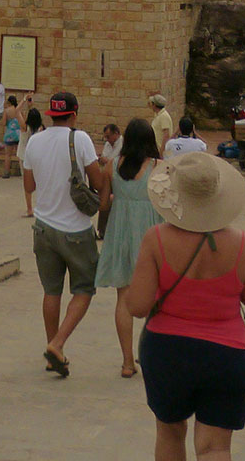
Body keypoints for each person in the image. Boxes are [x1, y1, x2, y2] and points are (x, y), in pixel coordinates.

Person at [126, 151, 245, 461]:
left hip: (167, 352)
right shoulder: (242, 243)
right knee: (215, 447)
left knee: (170, 431)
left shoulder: (156, 239)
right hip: (226, 355)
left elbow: (137, 306)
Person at [22, 90, 102, 376]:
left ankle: (51, 350)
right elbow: (97, 180)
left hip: (43, 228)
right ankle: (57, 343)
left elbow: (29, 186)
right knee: (84, 288)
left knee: (51, 290)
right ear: (74, 114)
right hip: (76, 230)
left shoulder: (34, 141)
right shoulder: (79, 139)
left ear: (50, 115)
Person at [95, 117, 162, 377]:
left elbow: (103, 205)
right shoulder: (159, 167)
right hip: (151, 235)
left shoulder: (112, 166)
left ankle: (126, 362)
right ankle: (153, 359)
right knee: (156, 299)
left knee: (123, 298)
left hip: (120, 233)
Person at [16, 98, 43, 216]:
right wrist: (31, 106)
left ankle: (29, 209)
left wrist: (24, 100)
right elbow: (34, 116)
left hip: (24, 155)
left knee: (27, 183)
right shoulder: (41, 128)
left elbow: (17, 111)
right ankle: (41, 207)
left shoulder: (24, 127)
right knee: (39, 181)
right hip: (37, 156)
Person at [1, 94, 20, 177]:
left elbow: (4, 123)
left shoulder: (6, 111)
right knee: (19, 154)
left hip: (9, 134)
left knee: (8, 155)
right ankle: (22, 171)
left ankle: (6, 172)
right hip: (18, 134)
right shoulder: (18, 110)